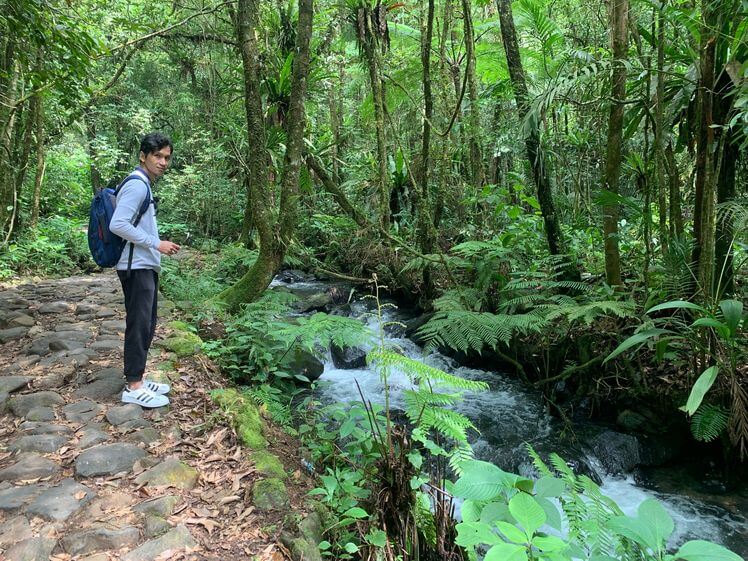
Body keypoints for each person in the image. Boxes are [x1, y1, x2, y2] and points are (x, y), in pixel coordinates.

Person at [109, 132, 180, 408]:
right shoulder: (138, 185)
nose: (163, 162)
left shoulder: (144, 185)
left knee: (147, 323)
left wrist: (156, 247)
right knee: (139, 324)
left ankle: (138, 376)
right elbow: (118, 224)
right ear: (143, 156)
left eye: (167, 157)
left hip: (143, 264)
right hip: (135, 265)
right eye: (157, 156)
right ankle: (133, 385)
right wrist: (156, 243)